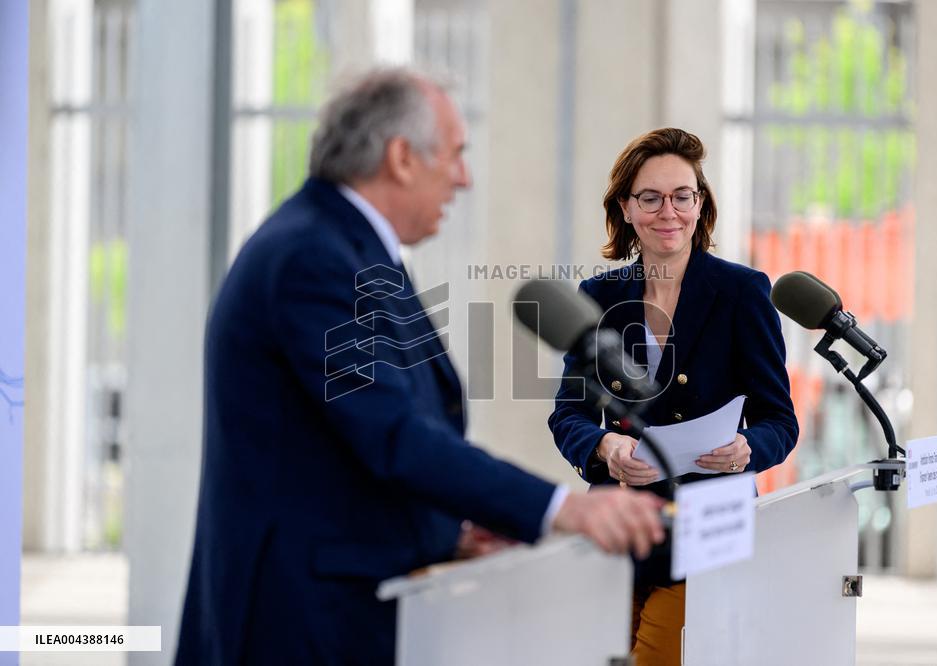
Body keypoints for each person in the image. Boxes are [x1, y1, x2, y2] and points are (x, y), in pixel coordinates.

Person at [174, 68, 667, 665]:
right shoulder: (313, 258)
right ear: (402, 158)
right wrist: (564, 510)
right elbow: (393, 435)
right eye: (455, 155)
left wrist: (446, 533)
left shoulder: (348, 246)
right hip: (298, 622)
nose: (464, 179)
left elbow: (347, 447)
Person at [548, 127, 798, 666]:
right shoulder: (599, 296)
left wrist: (748, 449)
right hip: (618, 526)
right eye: (651, 197)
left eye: (683, 196)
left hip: (706, 527)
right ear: (626, 208)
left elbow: (780, 419)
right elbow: (568, 414)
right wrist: (603, 450)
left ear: (700, 203)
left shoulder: (741, 292)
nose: (669, 211)